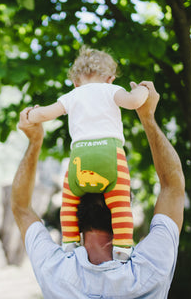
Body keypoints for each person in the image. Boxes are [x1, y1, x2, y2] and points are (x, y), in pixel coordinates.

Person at [11, 81, 185, 298]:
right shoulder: (151, 268)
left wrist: (34, 141)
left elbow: (21, 207)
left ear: (72, 214)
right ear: (122, 208)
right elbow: (173, 186)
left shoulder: (54, 271)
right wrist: (147, 117)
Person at [27, 46, 149, 260]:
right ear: (110, 79)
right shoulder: (111, 90)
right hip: (110, 155)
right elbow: (134, 102)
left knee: (69, 201)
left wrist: (32, 113)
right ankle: (122, 247)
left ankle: (70, 242)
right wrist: (142, 90)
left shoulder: (72, 95)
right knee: (120, 203)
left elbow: (45, 114)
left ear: (76, 82)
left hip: (79, 158)